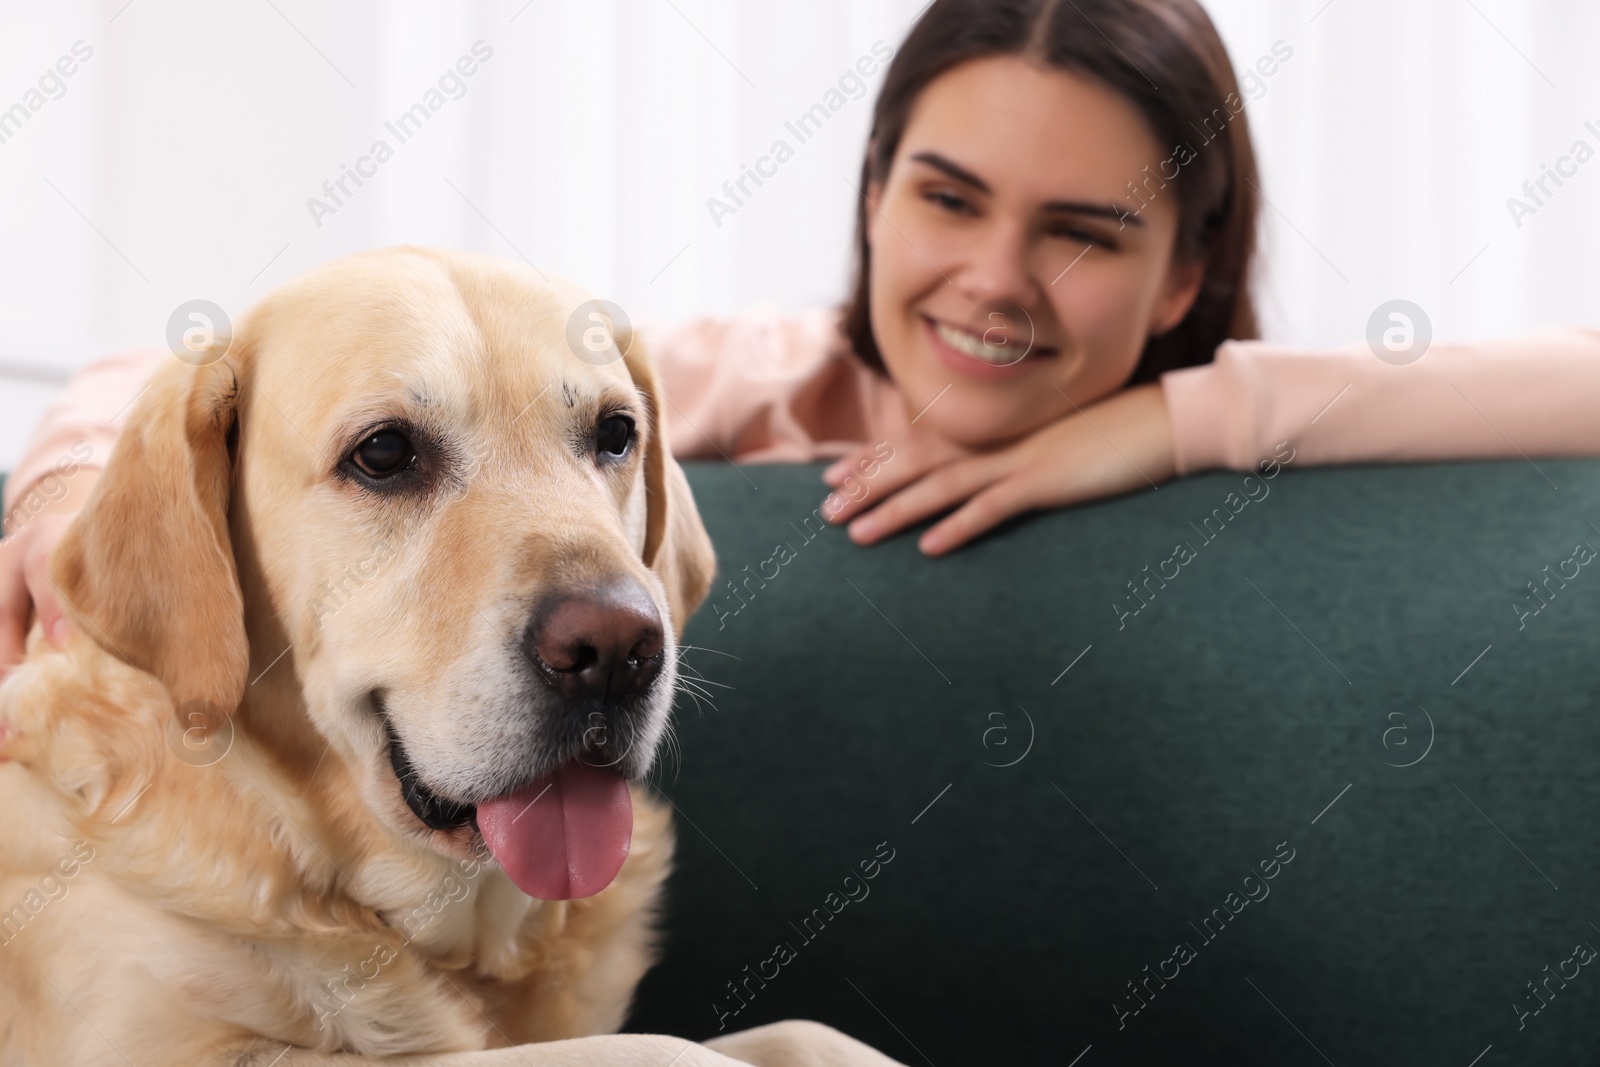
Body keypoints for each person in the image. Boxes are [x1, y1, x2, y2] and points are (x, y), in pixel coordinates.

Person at [3, 0, 1598, 675]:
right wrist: (66, 487)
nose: (994, 279)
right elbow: (182, 380)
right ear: (874, 195)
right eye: (948, 199)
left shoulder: (1251, 437)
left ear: (1187, 276)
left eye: (1085, 232)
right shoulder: (742, 387)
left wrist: (1171, 427)